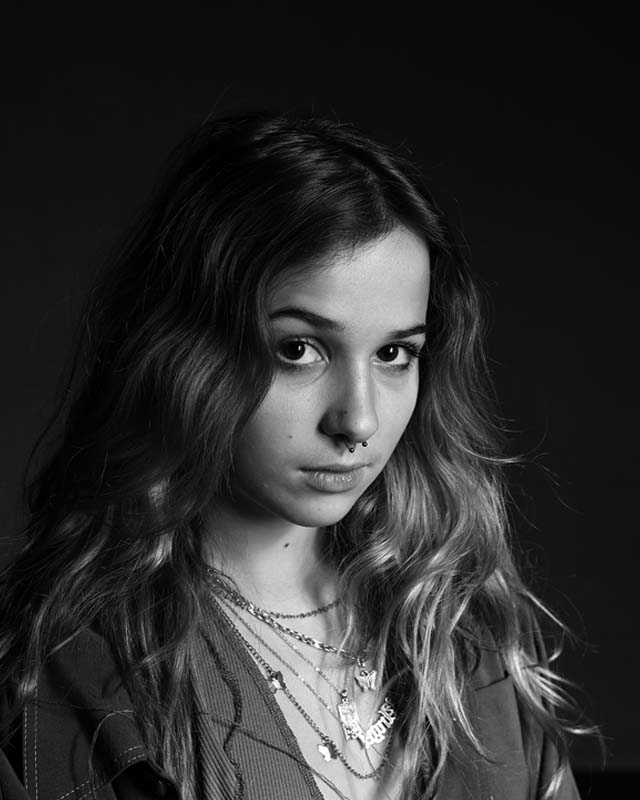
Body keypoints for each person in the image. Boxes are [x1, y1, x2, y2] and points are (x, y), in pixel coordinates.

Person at [0, 110, 583, 800]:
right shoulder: (68, 669)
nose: (358, 420)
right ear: (186, 351)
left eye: (395, 353)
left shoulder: (461, 638)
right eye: (299, 349)